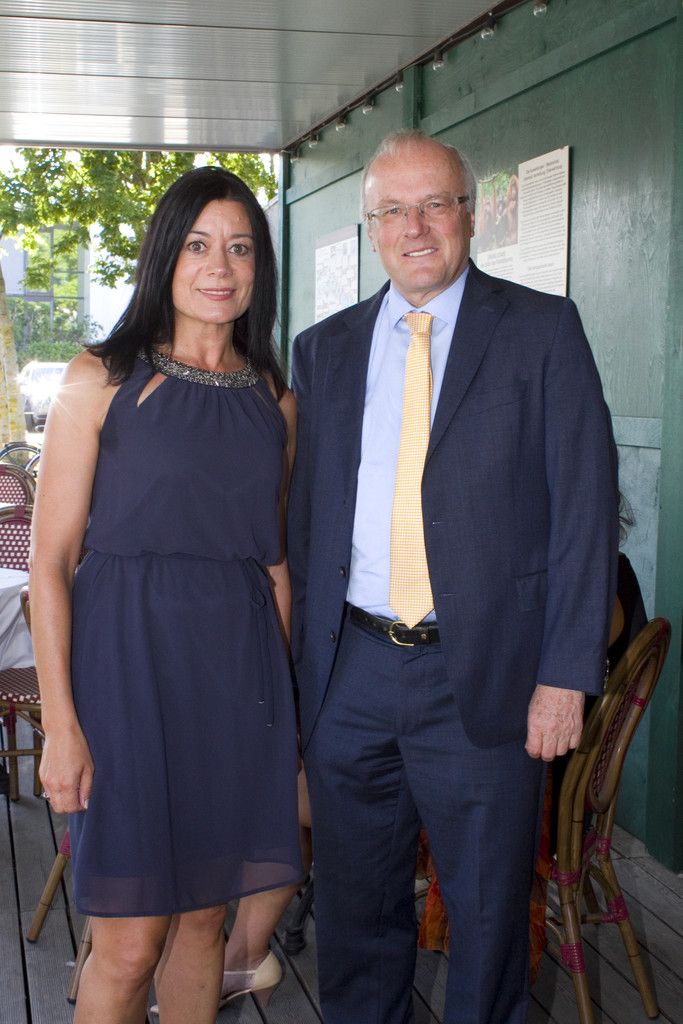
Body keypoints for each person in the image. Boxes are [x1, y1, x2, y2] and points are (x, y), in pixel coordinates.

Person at [287, 130, 619, 1024]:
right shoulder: (322, 351)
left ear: (468, 215)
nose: (415, 227)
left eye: (434, 204)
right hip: (349, 676)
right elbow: (305, 524)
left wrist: (564, 676)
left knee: (485, 920)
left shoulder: (542, 330)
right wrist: (300, 685)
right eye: (392, 211)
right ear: (371, 229)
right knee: (355, 918)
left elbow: (584, 511)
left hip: (488, 679)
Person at [30, 166, 304, 1024]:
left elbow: (272, 566)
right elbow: (49, 562)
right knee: (126, 945)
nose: (219, 266)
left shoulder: (273, 400)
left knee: (203, 925)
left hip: (239, 689)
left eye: (239, 248)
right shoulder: (100, 379)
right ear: (163, 256)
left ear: (259, 268)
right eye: (196, 245)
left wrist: (284, 719)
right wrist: (62, 726)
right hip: (126, 678)